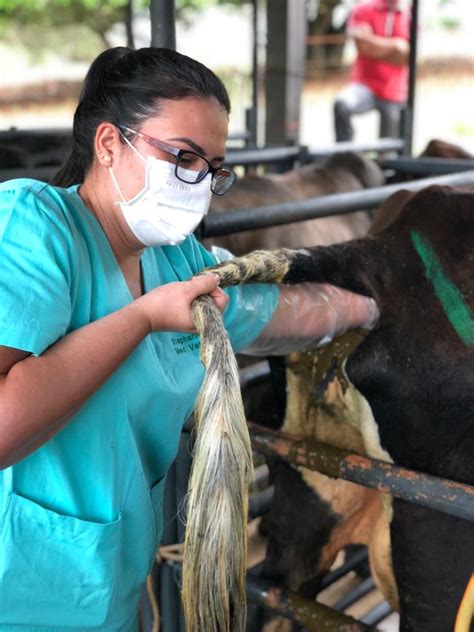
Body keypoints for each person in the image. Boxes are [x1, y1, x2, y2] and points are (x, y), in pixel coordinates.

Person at [0, 47, 379, 631]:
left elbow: (272, 312)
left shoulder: (175, 257)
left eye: (214, 168)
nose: (200, 183)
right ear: (108, 144)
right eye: (183, 157)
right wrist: (142, 319)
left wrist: (376, 304)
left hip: (107, 583)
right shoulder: (35, 227)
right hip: (19, 588)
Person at [334, 0, 411, 142]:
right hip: (364, 85)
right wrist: (396, 45)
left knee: (388, 151)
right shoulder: (364, 8)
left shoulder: (409, 15)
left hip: (394, 90)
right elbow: (364, 48)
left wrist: (373, 42)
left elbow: (406, 58)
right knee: (342, 104)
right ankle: (346, 155)